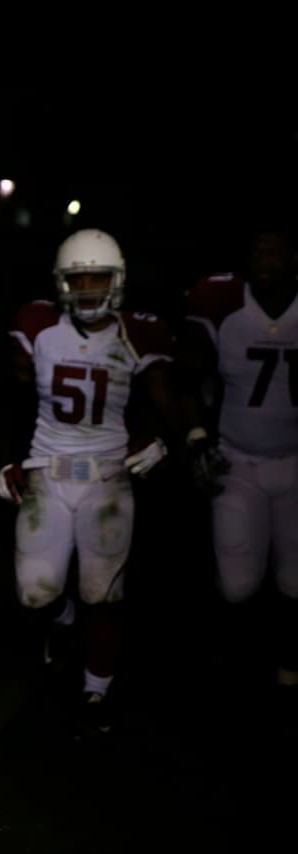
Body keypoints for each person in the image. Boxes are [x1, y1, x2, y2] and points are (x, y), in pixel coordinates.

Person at [0, 227, 203, 736]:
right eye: (78, 277)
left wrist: (162, 442)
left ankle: (97, 688)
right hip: (48, 471)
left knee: (102, 592)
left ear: (118, 281)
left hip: (108, 476)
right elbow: (10, 396)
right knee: (35, 595)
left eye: (97, 277)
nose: (87, 287)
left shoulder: (139, 331)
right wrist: (6, 458)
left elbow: (163, 399)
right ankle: (61, 618)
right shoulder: (38, 324)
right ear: (61, 282)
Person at [181, 223, 298, 703]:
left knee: (295, 578)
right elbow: (190, 373)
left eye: (275, 251)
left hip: (296, 462)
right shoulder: (221, 301)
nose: (265, 262)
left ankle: (289, 666)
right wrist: (197, 439)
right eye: (257, 251)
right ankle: (237, 662)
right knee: (237, 584)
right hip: (238, 459)